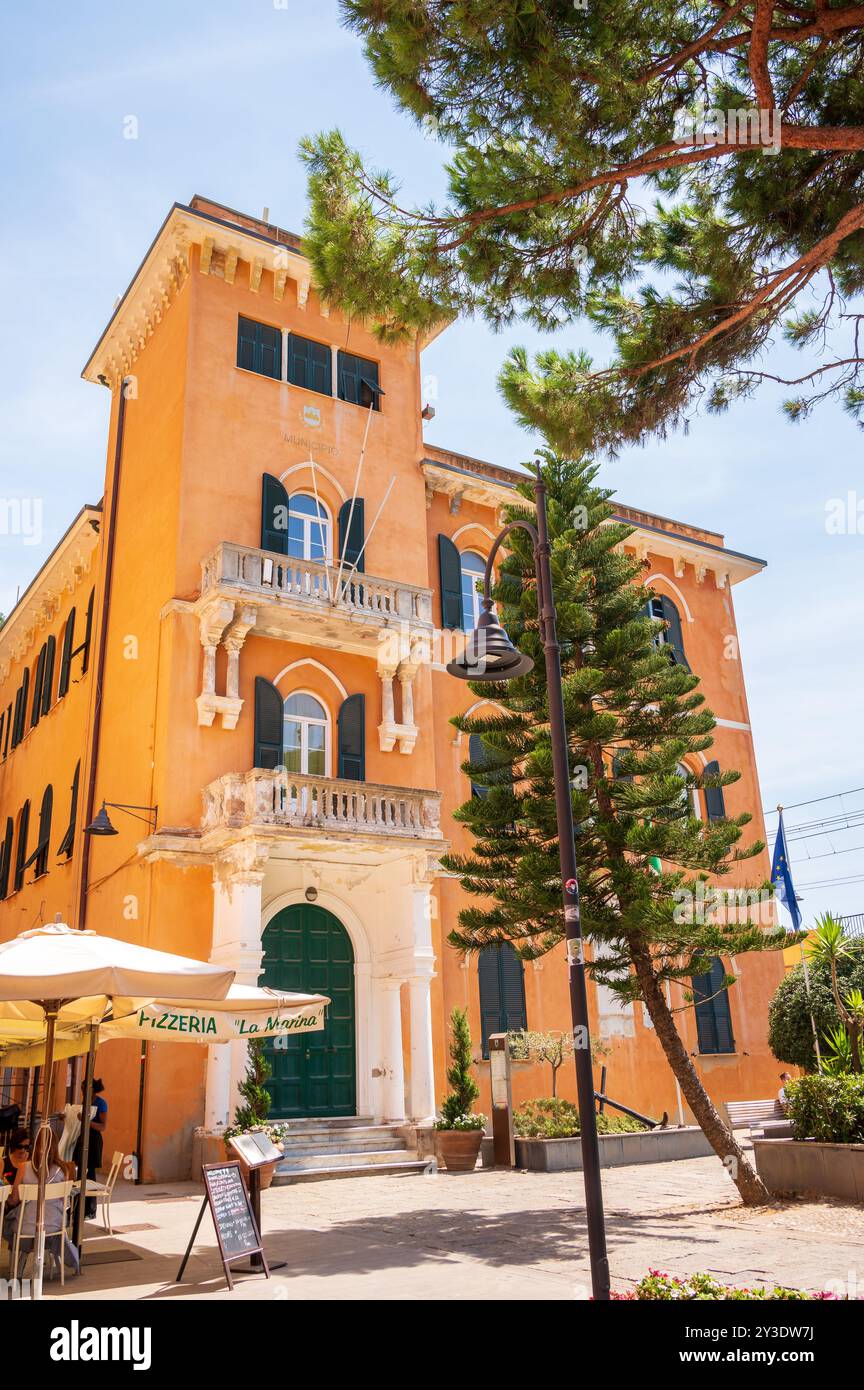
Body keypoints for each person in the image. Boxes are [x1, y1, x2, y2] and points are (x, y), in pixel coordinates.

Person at [9, 1127, 79, 1279]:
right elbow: (65, 1204)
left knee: (8, 1224)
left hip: (25, 1228)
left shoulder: (23, 1167)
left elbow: (14, 1199)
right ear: (55, 1145)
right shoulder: (63, 1170)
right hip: (55, 1228)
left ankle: (19, 1258)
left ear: (36, 1145)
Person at [73, 1077, 107, 1220]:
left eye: (84, 1088)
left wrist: (87, 1121)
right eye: (81, 1088)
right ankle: (78, 1207)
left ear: (92, 1089)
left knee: (90, 1174)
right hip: (83, 1138)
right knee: (79, 1173)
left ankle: (90, 1210)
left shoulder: (101, 1103)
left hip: (93, 1141)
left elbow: (103, 1127)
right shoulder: (85, 1102)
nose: (82, 1091)